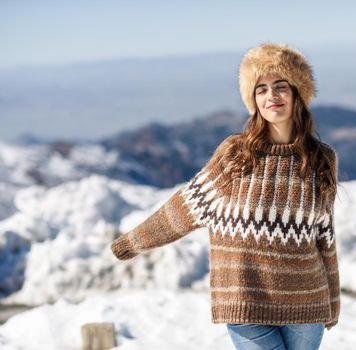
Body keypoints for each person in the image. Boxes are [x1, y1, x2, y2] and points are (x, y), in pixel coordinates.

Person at [111, 42, 341, 350]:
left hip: (306, 305)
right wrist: (131, 243)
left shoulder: (321, 158)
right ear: (253, 100)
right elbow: (186, 207)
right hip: (244, 302)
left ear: (297, 93)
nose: (271, 96)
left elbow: (324, 235)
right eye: (261, 89)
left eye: (280, 86)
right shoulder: (236, 155)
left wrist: (333, 300)